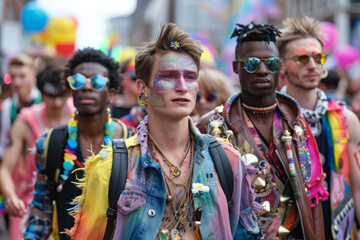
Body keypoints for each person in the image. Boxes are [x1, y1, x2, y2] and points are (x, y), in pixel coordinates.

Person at [66, 23, 260, 240]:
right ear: (143, 90)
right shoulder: (111, 167)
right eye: (168, 76)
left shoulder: (227, 161)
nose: (182, 86)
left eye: (190, 77)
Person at [197, 22, 328, 239]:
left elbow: (313, 199)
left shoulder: (296, 122)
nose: (262, 70)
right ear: (235, 67)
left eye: (272, 63)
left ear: (281, 66)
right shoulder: (210, 126)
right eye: (251, 64)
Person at [23, 48, 132, 240]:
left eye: (97, 82)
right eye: (78, 81)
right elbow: (41, 209)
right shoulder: (50, 143)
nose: (87, 87)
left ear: (111, 94)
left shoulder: (130, 143)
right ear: (70, 90)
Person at [277, 16, 360, 240]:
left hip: (339, 229)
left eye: (318, 57)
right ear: (282, 64)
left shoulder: (345, 119)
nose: (313, 65)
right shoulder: (274, 119)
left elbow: (357, 188)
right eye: (302, 59)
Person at [0, 65, 74, 240]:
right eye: (51, 96)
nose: (57, 103)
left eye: (61, 96)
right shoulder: (26, 121)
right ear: (41, 93)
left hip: (69, 205)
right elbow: (4, 169)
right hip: (29, 203)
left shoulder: (78, 117)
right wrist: (11, 197)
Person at [0, 55, 41, 161]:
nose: (17, 82)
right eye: (13, 76)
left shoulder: (43, 101)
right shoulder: (8, 106)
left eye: (22, 76)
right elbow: (3, 144)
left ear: (33, 76)